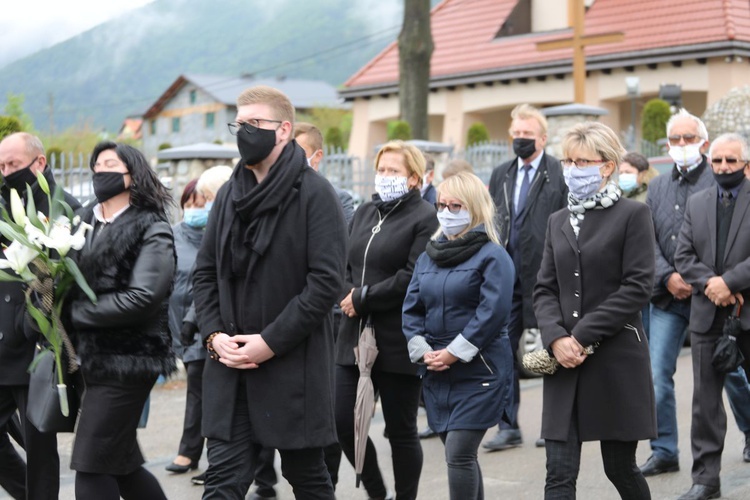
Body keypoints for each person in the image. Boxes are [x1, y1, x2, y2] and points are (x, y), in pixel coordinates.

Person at [192, 85, 347, 500]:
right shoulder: (228, 194)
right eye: (238, 124)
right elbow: (205, 273)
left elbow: (325, 283)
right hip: (231, 368)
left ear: (283, 130)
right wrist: (213, 336)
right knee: (221, 484)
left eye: (254, 124)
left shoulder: (316, 194)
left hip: (292, 368)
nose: (244, 132)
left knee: (309, 481)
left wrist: (270, 343)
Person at [534, 121, 655, 499]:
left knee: (619, 467)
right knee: (558, 473)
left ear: (606, 166)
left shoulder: (633, 216)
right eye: (567, 161)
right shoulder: (557, 221)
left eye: (581, 161)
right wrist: (555, 338)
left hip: (615, 357)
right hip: (563, 361)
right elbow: (544, 288)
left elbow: (637, 286)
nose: (571, 169)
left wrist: (580, 336)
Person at [640, 110, 750, 479]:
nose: (682, 146)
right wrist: (669, 275)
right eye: (675, 140)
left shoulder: (718, 182)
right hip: (671, 299)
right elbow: (655, 242)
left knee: (733, 376)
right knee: (666, 381)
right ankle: (674, 457)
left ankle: (749, 432)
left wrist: (720, 283)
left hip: (727, 304)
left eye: (690, 139)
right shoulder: (662, 189)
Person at [247, 122, 351, 499]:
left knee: (310, 457)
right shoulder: (244, 193)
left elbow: (327, 278)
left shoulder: (328, 198)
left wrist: (272, 338)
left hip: (315, 333)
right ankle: (264, 484)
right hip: (255, 339)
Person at [67, 141, 175, 500]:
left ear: (132, 174)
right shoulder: (82, 220)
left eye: (110, 164)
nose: (101, 171)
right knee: (122, 465)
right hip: (90, 360)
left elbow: (143, 297)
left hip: (129, 359)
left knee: (92, 464)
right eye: (96, 165)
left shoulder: (151, 227)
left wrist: (75, 313)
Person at [402, 172, 515, 500]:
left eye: (456, 205)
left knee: (459, 453)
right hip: (437, 369)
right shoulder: (428, 256)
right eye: (441, 205)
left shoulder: (493, 256)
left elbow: (491, 313)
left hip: (480, 369)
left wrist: (454, 351)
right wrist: (423, 350)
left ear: (475, 208)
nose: (446, 212)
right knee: (461, 456)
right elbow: (411, 309)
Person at [336, 140, 438, 500]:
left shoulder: (426, 216)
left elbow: (413, 275)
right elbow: (345, 263)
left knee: (400, 430)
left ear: (413, 178)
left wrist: (363, 298)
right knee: (344, 424)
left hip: (397, 336)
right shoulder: (365, 211)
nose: (384, 177)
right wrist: (349, 294)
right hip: (353, 335)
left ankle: (405, 496)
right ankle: (377, 493)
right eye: (381, 170)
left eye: (393, 171)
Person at [0, 132, 78, 500]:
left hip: (38, 348)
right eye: (1, 166)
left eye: (13, 164)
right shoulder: (3, 206)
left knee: (41, 448)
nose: (6, 173)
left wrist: (37, 312)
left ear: (39, 163)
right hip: (3, 344)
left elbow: (70, 274)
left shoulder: (64, 210)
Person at [485, 103, 567, 451]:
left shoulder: (558, 173)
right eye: (516, 134)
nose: (520, 140)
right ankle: (508, 425)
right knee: (502, 350)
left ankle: (555, 425)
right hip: (508, 277)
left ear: (543, 138)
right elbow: (492, 220)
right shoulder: (501, 173)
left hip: (547, 276)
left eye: (527, 135)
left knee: (549, 352)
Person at [674, 133, 750, 500]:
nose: (722, 168)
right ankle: (706, 480)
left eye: (731, 161)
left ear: (745, 165)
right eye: (717, 160)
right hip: (707, 316)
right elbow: (683, 256)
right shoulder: (697, 201)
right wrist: (712, 285)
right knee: (705, 404)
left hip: (747, 312)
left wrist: (731, 282)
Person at [165, 167, 232, 486]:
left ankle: (209, 459)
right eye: (190, 201)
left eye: (203, 200)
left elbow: (209, 282)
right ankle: (193, 453)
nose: (197, 207)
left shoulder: (219, 232)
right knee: (199, 392)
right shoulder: (174, 234)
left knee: (210, 395)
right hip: (185, 327)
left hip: (213, 326)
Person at [296, 121, 354, 225]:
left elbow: (347, 239)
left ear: (318, 156)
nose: (293, 156)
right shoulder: (276, 193)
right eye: (288, 150)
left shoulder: (339, 199)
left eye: (299, 152)